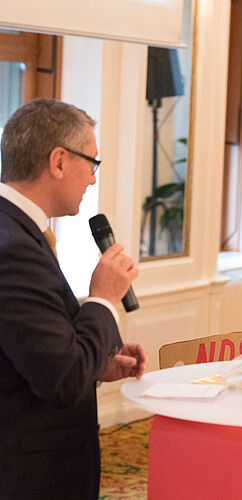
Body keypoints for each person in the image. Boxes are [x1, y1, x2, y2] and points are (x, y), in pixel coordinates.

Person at [0, 98, 146, 499]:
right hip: (30, 473)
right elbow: (62, 381)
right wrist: (103, 299)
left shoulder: (18, 230)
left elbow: (28, 354)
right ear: (59, 161)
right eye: (92, 163)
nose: (93, 180)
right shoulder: (13, 247)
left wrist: (94, 361)